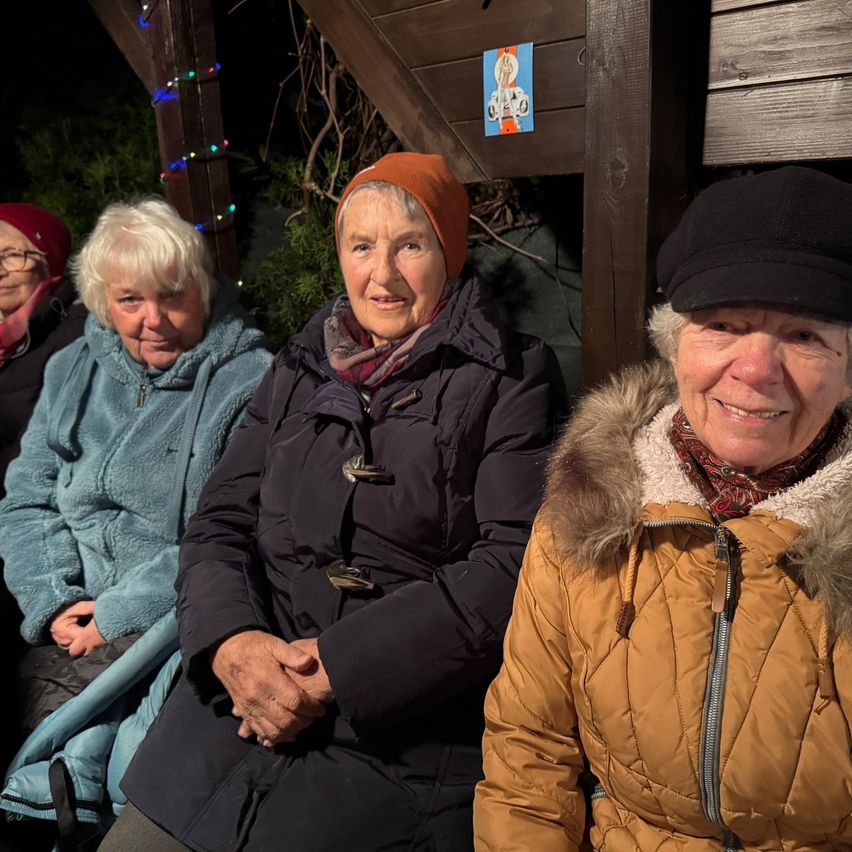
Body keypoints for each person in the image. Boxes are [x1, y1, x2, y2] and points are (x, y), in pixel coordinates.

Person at [105, 152, 565, 851]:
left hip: (396, 736)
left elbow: (511, 567)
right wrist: (232, 643)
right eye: (361, 246)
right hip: (237, 708)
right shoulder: (301, 363)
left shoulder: (513, 375)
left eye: (410, 246)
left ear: (449, 253)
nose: (382, 275)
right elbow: (220, 520)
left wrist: (339, 668)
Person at [474, 166, 852, 849]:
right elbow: (529, 749)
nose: (755, 369)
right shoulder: (592, 506)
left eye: (803, 335)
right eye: (722, 325)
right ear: (673, 343)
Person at [0, 197, 271, 749]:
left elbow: (229, 533)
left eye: (173, 295)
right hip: (69, 619)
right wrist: (52, 600)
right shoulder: (71, 368)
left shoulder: (250, 383)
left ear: (204, 290)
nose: (154, 320)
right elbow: (27, 497)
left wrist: (117, 613)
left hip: (170, 619)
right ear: (104, 303)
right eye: (130, 300)